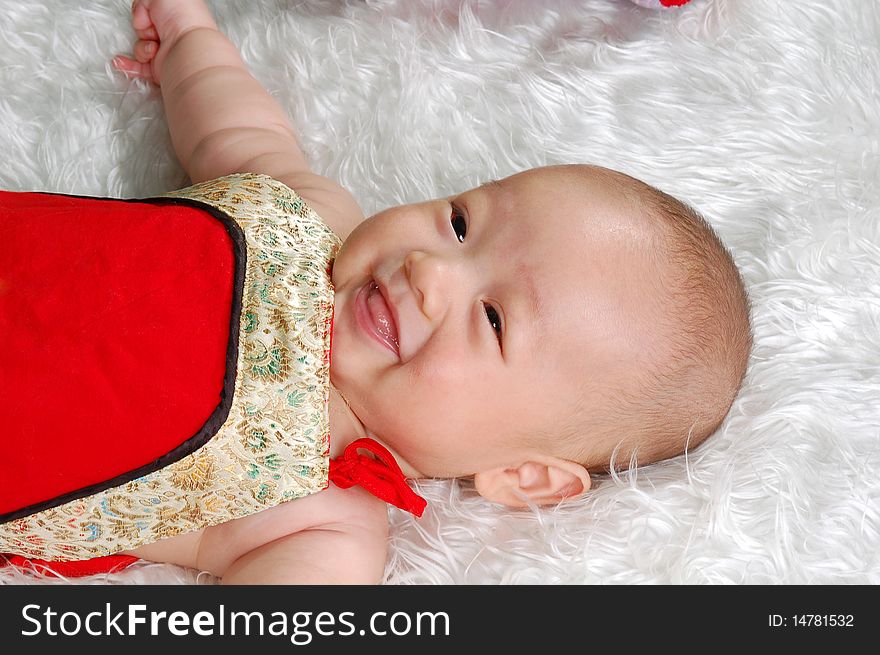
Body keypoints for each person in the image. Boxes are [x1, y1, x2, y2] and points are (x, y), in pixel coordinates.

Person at [0, 0, 751, 584]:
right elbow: (234, 126)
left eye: (492, 319)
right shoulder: (313, 219)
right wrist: (188, 34)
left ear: (524, 476)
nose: (431, 271)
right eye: (460, 222)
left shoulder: (322, 518)